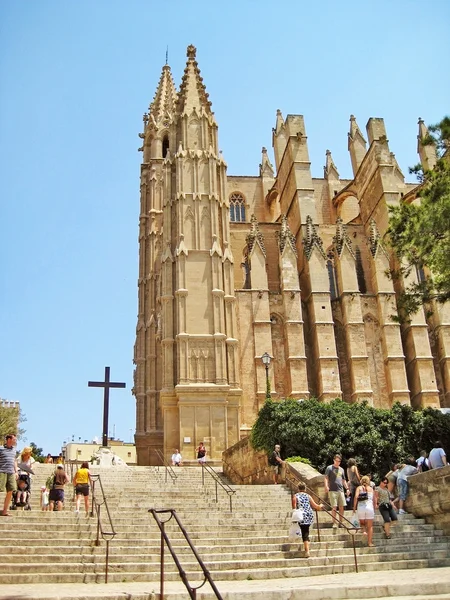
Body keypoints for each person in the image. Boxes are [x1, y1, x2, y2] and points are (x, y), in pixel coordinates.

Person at [292, 482, 324, 558]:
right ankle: (307, 546)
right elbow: (315, 506)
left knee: (304, 532)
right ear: (305, 488)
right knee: (306, 531)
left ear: (298, 488)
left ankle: (307, 551)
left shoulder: (295, 496)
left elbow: (294, 507)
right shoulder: (308, 496)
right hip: (309, 515)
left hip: (301, 515)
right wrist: (321, 505)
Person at [324, 454, 350, 527]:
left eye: (339, 461)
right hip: (332, 490)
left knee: (341, 506)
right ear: (334, 460)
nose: (338, 462)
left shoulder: (341, 469)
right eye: (336, 461)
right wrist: (326, 486)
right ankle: (334, 522)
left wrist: (347, 488)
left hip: (341, 490)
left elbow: (343, 480)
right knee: (334, 506)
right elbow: (326, 478)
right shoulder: (329, 468)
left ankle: (340, 522)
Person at [353, 475, 377, 547]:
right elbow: (374, 500)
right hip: (369, 508)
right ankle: (369, 543)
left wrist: (354, 507)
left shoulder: (359, 488)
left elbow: (356, 497)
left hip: (361, 508)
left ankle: (363, 531)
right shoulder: (371, 489)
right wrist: (374, 507)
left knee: (362, 523)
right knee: (370, 526)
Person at [0, 433, 18, 517]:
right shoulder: (1, 449)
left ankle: (4, 511)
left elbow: (14, 461)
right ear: (9, 439)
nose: (15, 441)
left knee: (11, 490)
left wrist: (16, 471)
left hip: (11, 472)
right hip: (1, 472)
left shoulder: (14, 450)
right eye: (14, 439)